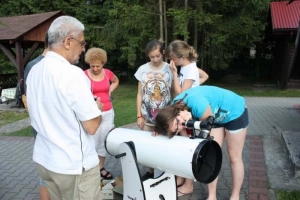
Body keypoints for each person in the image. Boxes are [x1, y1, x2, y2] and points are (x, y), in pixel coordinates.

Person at [26, 16, 103, 200]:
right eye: (82, 42)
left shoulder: (35, 70)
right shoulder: (72, 74)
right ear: (68, 41)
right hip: (73, 166)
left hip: (46, 161)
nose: (84, 48)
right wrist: (97, 108)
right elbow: (91, 126)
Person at [154, 85, 249, 200]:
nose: (181, 126)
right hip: (214, 116)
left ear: (177, 113)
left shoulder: (197, 104)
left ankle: (235, 196)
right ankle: (212, 196)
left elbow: (206, 128)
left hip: (234, 111)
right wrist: (159, 130)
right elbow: (186, 140)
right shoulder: (175, 111)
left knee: (234, 157)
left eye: (178, 123)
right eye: (176, 129)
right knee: (211, 156)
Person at [135, 39, 174, 180]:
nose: (155, 59)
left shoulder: (170, 68)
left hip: (166, 117)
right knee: (148, 146)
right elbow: (140, 94)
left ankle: (166, 173)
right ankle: (150, 172)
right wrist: (139, 115)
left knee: (165, 146)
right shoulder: (142, 70)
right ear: (148, 55)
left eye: (158, 56)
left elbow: (174, 92)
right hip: (147, 117)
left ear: (163, 52)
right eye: (152, 57)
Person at [84, 47, 119, 180]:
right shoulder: (84, 75)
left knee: (104, 141)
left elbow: (116, 81)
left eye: (98, 66)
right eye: (92, 66)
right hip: (93, 114)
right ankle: (90, 169)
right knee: (92, 141)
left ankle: (101, 168)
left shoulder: (108, 73)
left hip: (108, 112)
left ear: (103, 63)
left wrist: (109, 91)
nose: (95, 69)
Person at [23, 33, 50, 200]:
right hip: (45, 126)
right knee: (46, 173)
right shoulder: (38, 66)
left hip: (41, 125)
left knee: (47, 171)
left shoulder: (31, 65)